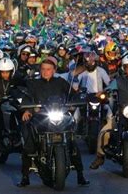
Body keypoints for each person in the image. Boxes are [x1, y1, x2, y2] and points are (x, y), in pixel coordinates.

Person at [18, 57, 89, 187]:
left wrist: (75, 102)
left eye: (49, 69)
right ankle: (25, 176)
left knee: (72, 141)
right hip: (40, 116)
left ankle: (80, 175)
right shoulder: (33, 83)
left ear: (54, 70)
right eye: (43, 69)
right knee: (29, 143)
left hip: (59, 115)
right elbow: (26, 96)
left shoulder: (60, 82)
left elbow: (72, 94)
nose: (46, 72)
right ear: (40, 70)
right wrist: (27, 109)